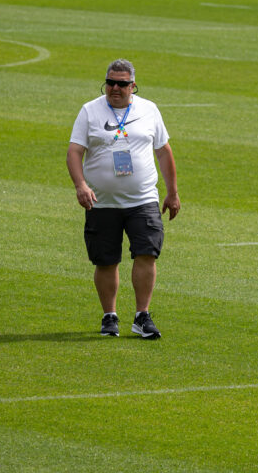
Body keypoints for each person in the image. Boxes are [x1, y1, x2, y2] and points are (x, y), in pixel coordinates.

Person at [66, 59, 180, 339]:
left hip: (143, 199)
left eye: (122, 83)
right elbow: (74, 151)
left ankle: (142, 316)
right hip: (101, 201)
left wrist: (173, 192)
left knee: (147, 253)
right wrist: (80, 186)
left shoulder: (149, 109)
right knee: (106, 260)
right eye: (110, 82)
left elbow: (163, 151)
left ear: (133, 86)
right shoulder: (90, 111)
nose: (115, 88)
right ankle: (110, 316)